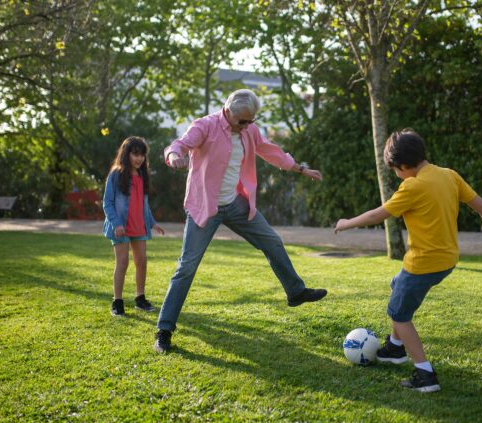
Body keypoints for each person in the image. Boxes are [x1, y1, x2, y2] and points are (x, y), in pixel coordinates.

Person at [154, 89, 327, 353]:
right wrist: (173, 156)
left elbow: (271, 152)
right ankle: (164, 330)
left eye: (251, 121)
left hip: (236, 204)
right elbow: (179, 144)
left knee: (272, 241)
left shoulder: (249, 131)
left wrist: (300, 169)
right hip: (205, 207)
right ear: (227, 111)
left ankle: (295, 292)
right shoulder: (206, 126)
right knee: (186, 267)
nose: (247, 126)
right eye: (243, 121)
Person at [334, 129, 482, 392]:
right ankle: (394, 349)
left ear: (402, 165)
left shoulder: (413, 185)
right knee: (396, 285)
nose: (397, 175)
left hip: (423, 264)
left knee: (399, 315)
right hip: (447, 260)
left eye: (395, 170)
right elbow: (481, 205)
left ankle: (425, 374)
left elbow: (376, 216)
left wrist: (346, 223)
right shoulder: (449, 175)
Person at [103, 136, 165, 316]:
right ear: (126, 154)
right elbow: (107, 202)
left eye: (142, 155)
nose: (139, 159)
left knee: (142, 262)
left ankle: (140, 298)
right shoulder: (116, 174)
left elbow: (143, 204)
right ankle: (117, 301)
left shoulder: (142, 175)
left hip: (139, 226)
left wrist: (152, 223)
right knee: (122, 263)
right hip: (120, 227)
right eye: (135, 154)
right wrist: (116, 223)